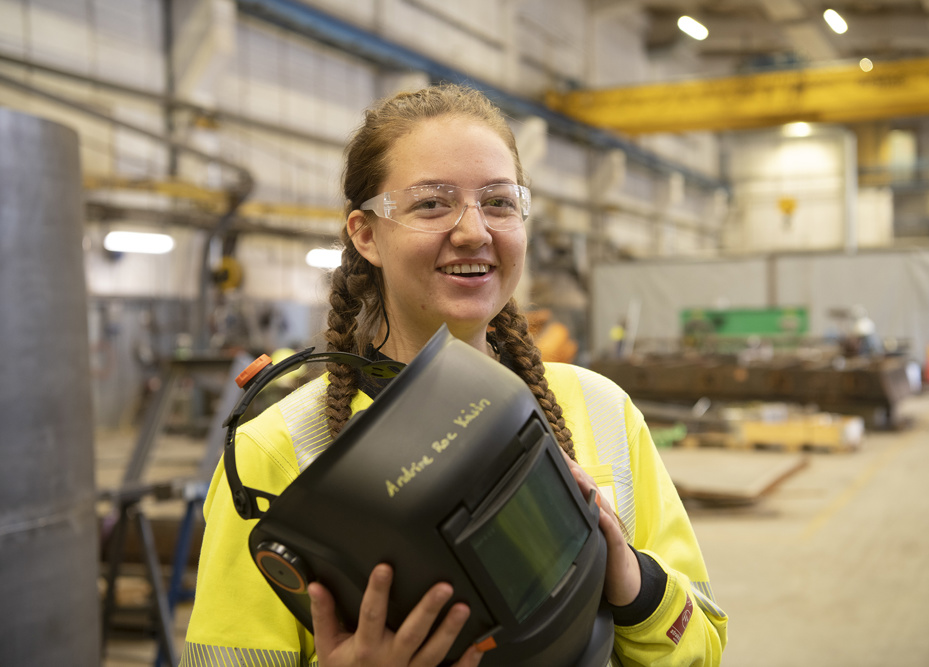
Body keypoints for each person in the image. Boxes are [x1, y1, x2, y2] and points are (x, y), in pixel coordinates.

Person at [181, 84, 728, 667]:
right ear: (366, 234)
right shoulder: (280, 450)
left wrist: (636, 583)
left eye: (498, 202)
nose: (474, 231)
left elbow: (703, 646)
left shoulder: (600, 408)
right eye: (432, 204)